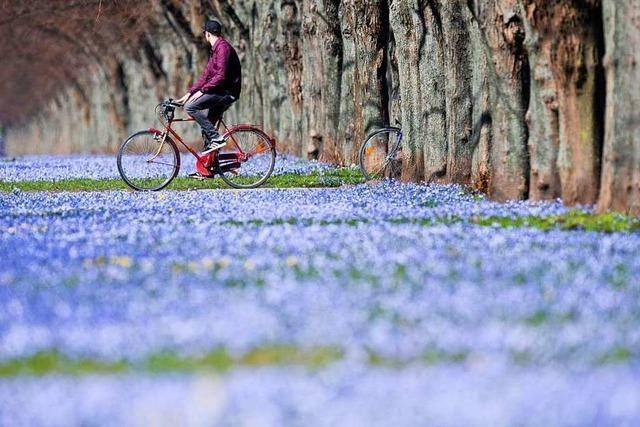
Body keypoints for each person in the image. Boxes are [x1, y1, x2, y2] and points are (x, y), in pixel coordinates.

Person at [175, 20, 242, 154]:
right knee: (207, 129)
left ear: (207, 34)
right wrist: (189, 93)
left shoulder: (223, 49)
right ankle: (207, 169)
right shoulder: (216, 49)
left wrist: (202, 91)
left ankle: (216, 138)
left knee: (190, 107)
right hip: (220, 91)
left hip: (227, 92)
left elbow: (221, 76)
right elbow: (206, 76)